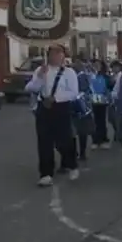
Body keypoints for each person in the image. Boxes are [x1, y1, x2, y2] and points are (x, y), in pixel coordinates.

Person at [24, 45, 80, 186]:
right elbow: (30, 88)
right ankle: (46, 173)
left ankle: (71, 165)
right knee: (44, 141)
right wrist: (41, 78)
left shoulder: (69, 72)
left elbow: (74, 93)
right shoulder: (40, 70)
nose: (54, 56)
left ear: (63, 56)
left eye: (58, 53)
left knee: (65, 140)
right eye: (52, 53)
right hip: (44, 108)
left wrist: (57, 98)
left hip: (61, 107)